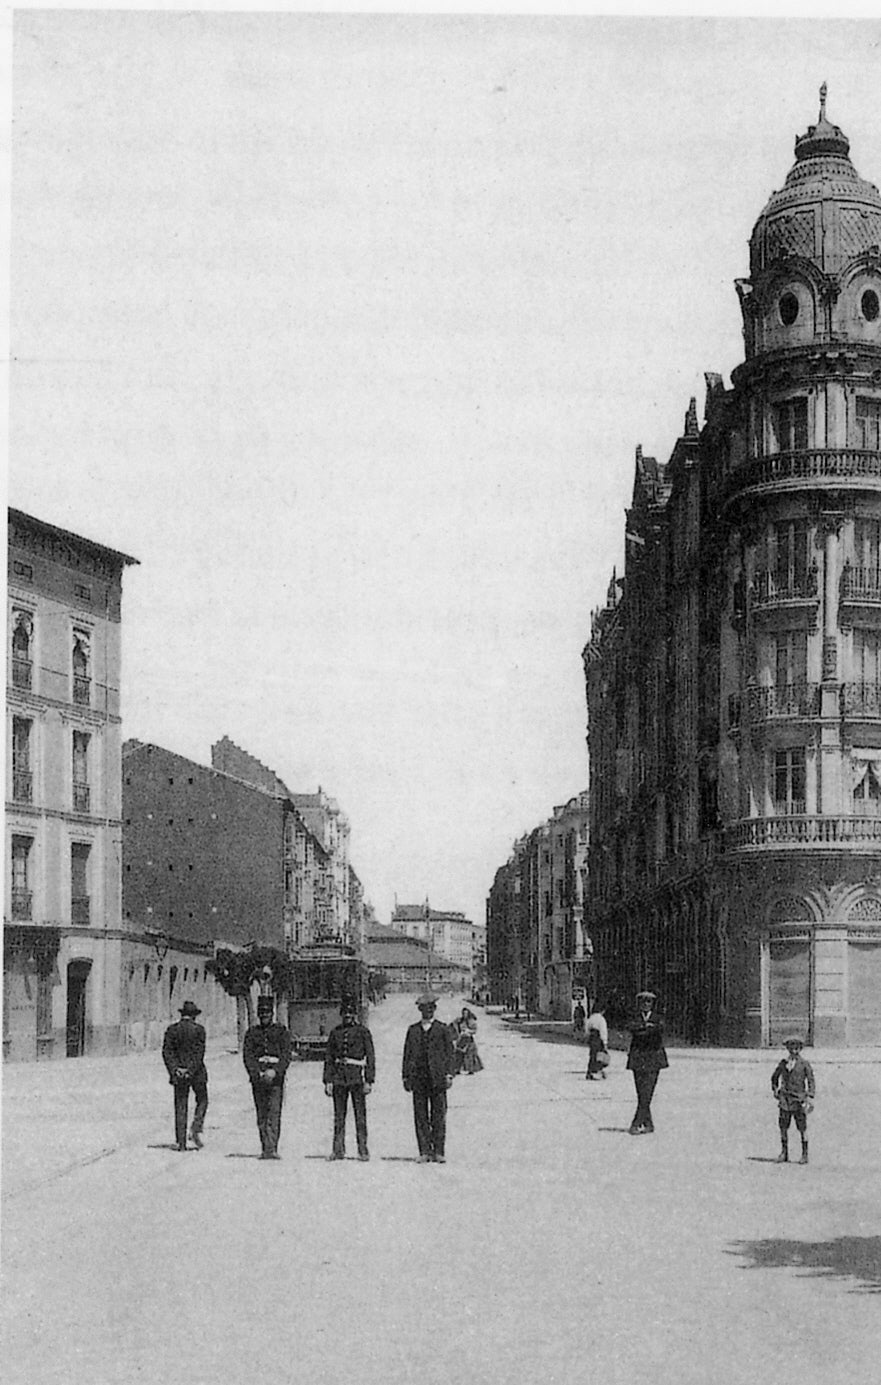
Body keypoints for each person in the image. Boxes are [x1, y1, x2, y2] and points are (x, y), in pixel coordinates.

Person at [402, 993, 455, 1163]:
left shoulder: (443, 1029)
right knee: (420, 1115)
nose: (428, 1012)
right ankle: (424, 1151)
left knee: (439, 1115)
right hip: (418, 1079)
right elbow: (407, 1055)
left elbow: (450, 1054)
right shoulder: (413, 1030)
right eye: (425, 1009)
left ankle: (439, 1151)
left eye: (431, 1008)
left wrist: (449, 1074)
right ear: (420, 1010)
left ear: (435, 1009)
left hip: (437, 1079)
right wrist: (405, 1077)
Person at [323, 997, 376, 1161]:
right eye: (345, 1013)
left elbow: (370, 1057)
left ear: (355, 1014)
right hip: (339, 1078)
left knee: (360, 1116)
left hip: (356, 1078)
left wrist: (369, 1080)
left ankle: (363, 1150)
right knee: (339, 1116)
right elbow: (329, 1058)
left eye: (351, 1013)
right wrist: (328, 1081)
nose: (348, 1016)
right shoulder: (335, 1033)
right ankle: (338, 1150)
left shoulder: (363, 1032)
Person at [243, 995, 293, 1160]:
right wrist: (256, 1072)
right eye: (261, 1013)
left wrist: (275, 1071)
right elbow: (248, 1056)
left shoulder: (281, 1031)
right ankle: (265, 1147)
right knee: (261, 1113)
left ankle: (272, 1147)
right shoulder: (252, 1033)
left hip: (275, 1078)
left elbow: (286, 1056)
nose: (264, 1016)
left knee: (274, 1112)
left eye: (267, 1013)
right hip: (258, 1078)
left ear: (272, 1014)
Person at [162, 999, 208, 1152]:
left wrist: (176, 1069)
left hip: (178, 1074)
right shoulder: (199, 1030)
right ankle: (196, 1127)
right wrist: (189, 1070)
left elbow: (167, 1052)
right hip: (196, 1073)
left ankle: (181, 1142)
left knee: (180, 1104)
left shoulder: (172, 1030)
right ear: (194, 1016)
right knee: (202, 1099)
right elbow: (199, 1054)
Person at [626, 990, 668, 1134]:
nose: (646, 1004)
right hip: (638, 1058)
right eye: (643, 1001)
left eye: (649, 1001)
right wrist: (647, 1028)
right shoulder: (634, 1017)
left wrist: (644, 1029)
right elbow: (633, 1029)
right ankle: (648, 1123)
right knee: (641, 1091)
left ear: (653, 1004)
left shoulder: (658, 1017)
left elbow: (659, 1030)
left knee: (648, 1091)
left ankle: (636, 1123)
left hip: (653, 1058)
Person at [771, 1037, 815, 1165]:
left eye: (796, 1048)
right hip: (785, 1099)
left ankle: (804, 1154)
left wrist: (810, 1095)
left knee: (802, 1128)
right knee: (783, 1127)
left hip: (799, 1099)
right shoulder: (783, 1063)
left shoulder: (804, 1064)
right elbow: (774, 1077)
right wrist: (775, 1090)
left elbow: (811, 1080)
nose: (793, 1051)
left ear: (800, 1049)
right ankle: (784, 1153)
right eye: (791, 1048)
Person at [453, 1006, 483, 1076]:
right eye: (463, 1013)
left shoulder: (471, 1021)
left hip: (469, 1039)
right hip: (461, 1039)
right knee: (459, 1054)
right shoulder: (460, 1021)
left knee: (470, 1055)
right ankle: (457, 1069)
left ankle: (471, 1069)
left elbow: (474, 1030)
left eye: (466, 1013)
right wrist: (458, 1031)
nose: (464, 1015)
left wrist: (468, 1031)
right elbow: (454, 1024)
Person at [585, 1003, 609, 1080]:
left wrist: (588, 1036)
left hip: (592, 1037)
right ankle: (597, 1071)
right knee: (599, 1055)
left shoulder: (591, 1018)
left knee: (592, 1054)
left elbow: (587, 1028)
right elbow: (603, 1031)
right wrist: (605, 1042)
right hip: (598, 1038)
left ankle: (590, 1071)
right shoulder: (601, 1019)